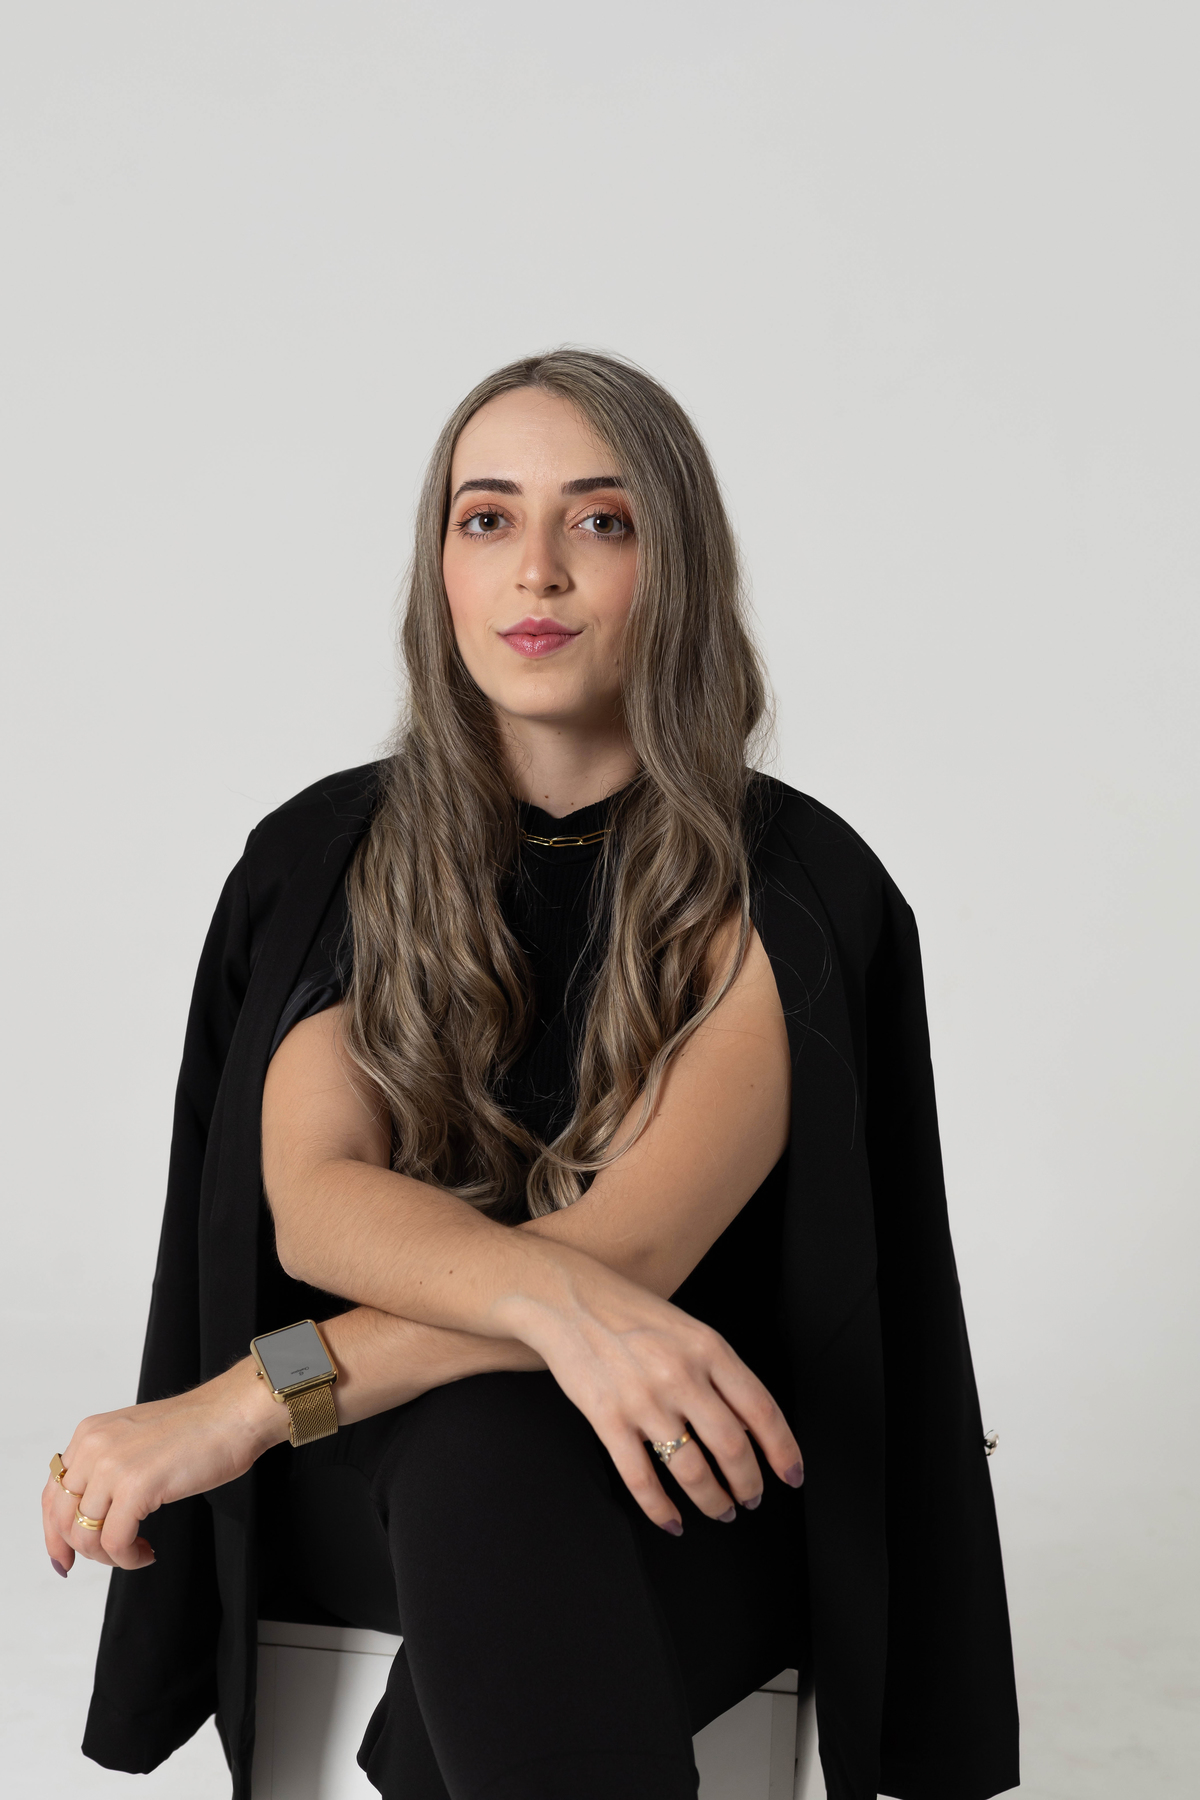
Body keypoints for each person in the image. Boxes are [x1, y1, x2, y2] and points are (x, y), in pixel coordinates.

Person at [43, 350, 1019, 1800]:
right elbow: (322, 1207)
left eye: (601, 522)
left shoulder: (791, 885)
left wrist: (245, 1398)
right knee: (487, 1439)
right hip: (372, 1455)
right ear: (438, 567)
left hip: (691, 1470)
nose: (538, 571)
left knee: (502, 1472)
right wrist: (563, 1310)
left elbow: (628, 1254)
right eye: (488, 518)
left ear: (675, 569)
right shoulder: (328, 860)